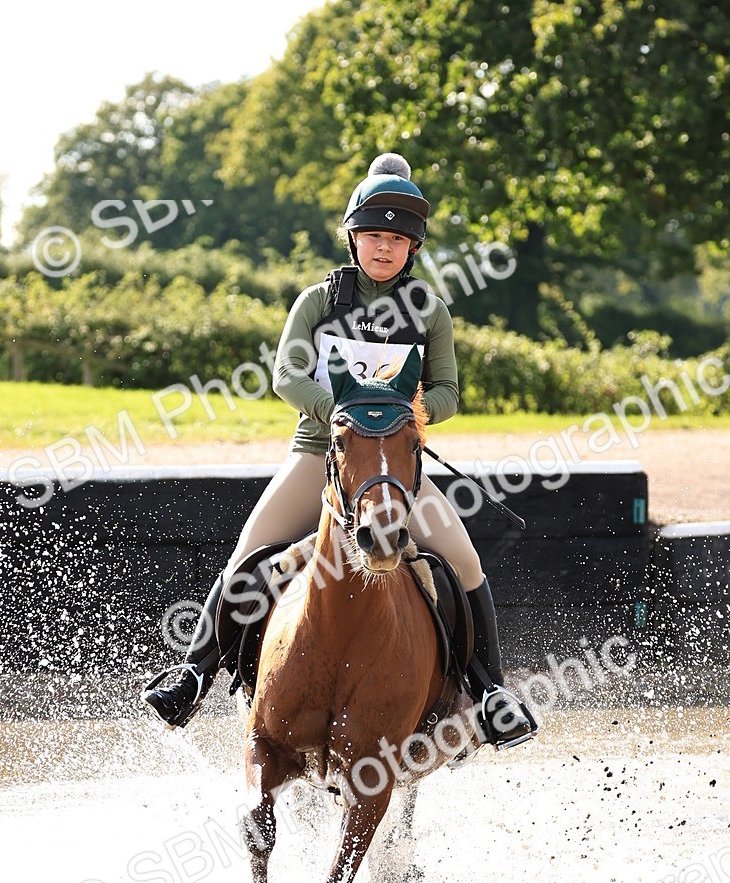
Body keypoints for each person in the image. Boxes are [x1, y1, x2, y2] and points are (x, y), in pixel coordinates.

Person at [143, 153, 535, 748]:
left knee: (466, 563)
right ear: (354, 239)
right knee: (247, 556)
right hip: (318, 457)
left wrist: (413, 416)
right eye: (374, 236)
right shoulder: (318, 302)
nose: (385, 248)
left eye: (397, 240)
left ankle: (491, 694)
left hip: (395, 468)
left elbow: (450, 390)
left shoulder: (430, 312)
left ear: (413, 249)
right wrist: (340, 417)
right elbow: (285, 376)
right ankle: (195, 675)